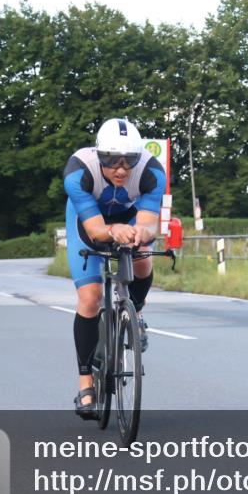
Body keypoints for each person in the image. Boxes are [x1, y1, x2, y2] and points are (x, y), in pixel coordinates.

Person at [64, 118, 166, 419]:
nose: (121, 170)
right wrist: (113, 230)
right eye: (112, 161)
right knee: (90, 297)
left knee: (143, 256)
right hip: (88, 222)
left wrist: (141, 233)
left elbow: (148, 223)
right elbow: (96, 231)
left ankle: (136, 313)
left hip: (130, 216)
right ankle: (85, 386)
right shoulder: (79, 171)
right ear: (99, 155)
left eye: (129, 161)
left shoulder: (151, 171)